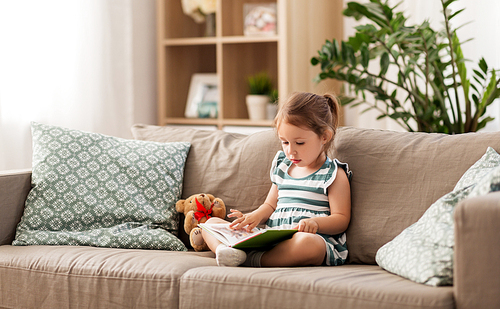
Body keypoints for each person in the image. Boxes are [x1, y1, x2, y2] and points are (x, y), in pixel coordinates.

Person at [199, 92, 352, 267]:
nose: (290, 151)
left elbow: (341, 219)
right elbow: (270, 205)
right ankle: (225, 252)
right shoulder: (283, 167)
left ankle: (251, 259)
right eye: (285, 142)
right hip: (272, 237)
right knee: (210, 224)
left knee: (309, 244)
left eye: (299, 143)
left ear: (324, 137)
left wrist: (315, 223)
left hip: (304, 239)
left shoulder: (333, 174)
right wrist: (253, 216)